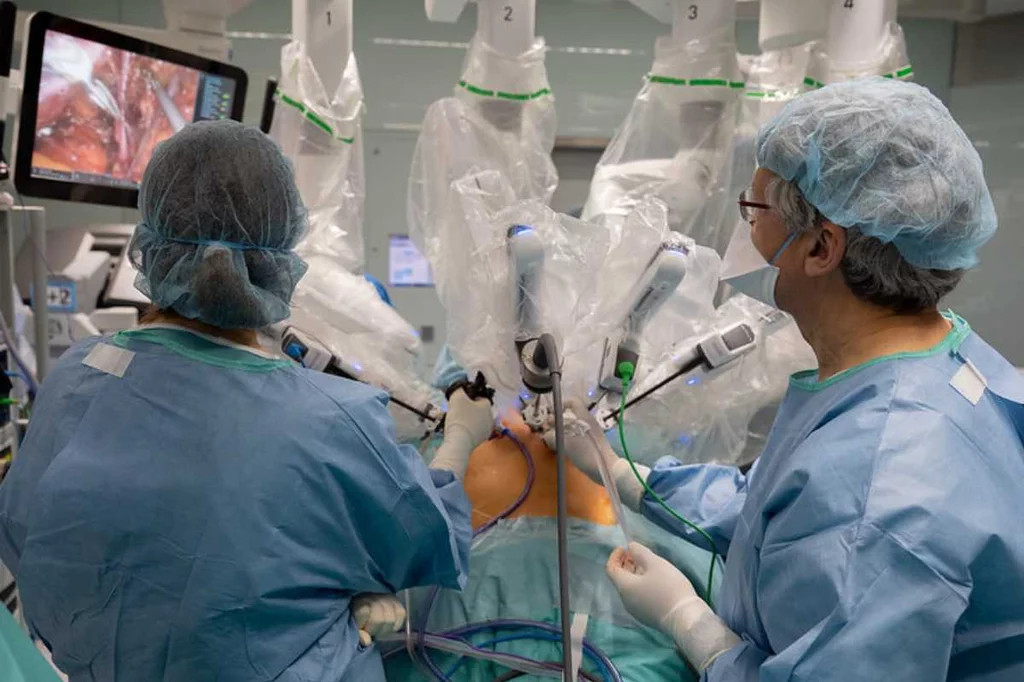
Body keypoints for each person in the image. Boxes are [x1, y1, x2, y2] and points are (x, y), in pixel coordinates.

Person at [546, 77, 1024, 680]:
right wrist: (630, 478)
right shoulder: (942, 358)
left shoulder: (879, 488)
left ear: (821, 247)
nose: (743, 232)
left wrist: (693, 627)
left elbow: (848, 524)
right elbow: (791, 512)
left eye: (754, 210)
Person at [0, 120, 495, 682]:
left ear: (154, 243)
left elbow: (28, 543)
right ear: (278, 258)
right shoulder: (332, 421)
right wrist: (459, 439)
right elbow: (429, 542)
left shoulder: (78, 377)